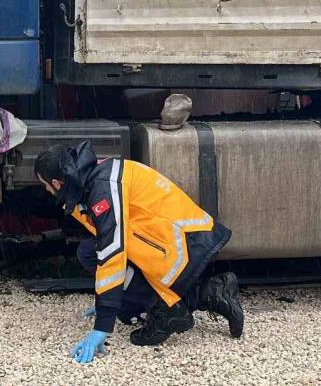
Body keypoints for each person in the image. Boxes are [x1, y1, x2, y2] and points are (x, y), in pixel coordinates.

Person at [35, 141, 245, 364]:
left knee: (99, 253)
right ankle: (210, 294)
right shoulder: (91, 175)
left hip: (184, 244)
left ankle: (172, 310)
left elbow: (112, 251)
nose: (47, 191)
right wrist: (115, 302)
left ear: (57, 183)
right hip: (176, 240)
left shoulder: (102, 188)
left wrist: (103, 325)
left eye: (46, 186)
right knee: (88, 251)